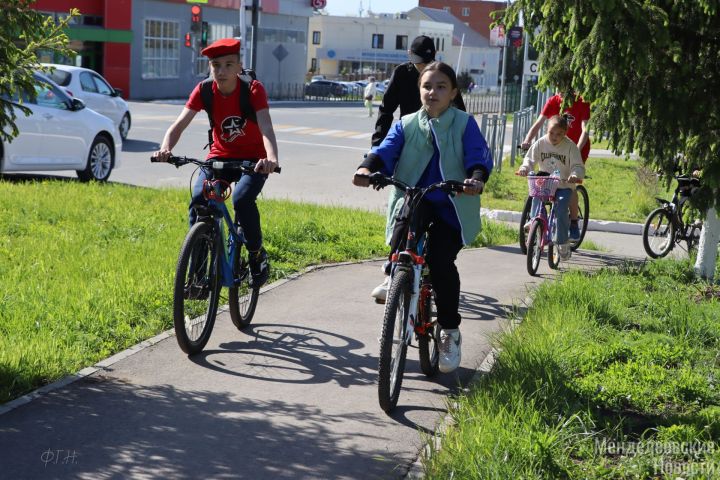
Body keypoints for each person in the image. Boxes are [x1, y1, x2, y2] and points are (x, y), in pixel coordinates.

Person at [352, 62, 493, 373]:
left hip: (452, 204)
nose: (433, 92)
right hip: (416, 197)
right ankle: (395, 273)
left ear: (454, 93)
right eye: (427, 86)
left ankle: (449, 331)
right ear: (419, 91)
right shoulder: (406, 124)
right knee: (405, 220)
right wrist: (367, 168)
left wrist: (476, 178)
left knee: (441, 261)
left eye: (442, 86)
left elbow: (477, 155)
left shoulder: (464, 123)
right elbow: (386, 151)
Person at [151, 38, 279, 287]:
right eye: (215, 65)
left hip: (253, 160)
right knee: (199, 200)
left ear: (239, 67)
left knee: (242, 200)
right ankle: (198, 275)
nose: (221, 71)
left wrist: (271, 158)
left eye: (228, 65)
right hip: (219, 156)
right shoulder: (205, 90)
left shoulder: (253, 90)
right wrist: (165, 148)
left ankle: (256, 256)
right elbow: (179, 124)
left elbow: (266, 126)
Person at [371, 35, 466, 147]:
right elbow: (386, 110)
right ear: (409, 54)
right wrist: (377, 145)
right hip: (409, 136)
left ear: (435, 54)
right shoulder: (401, 73)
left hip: (439, 139)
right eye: (419, 63)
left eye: (427, 63)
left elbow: (460, 111)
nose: (423, 67)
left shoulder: (444, 74)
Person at [521, 92, 590, 241]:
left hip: (576, 147)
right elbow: (539, 123)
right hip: (551, 153)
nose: (563, 91)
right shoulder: (553, 101)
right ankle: (537, 219)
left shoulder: (582, 102)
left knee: (569, 186)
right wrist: (527, 140)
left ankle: (573, 222)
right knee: (538, 189)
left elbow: (585, 129)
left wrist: (575, 150)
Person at [517, 114, 585, 260]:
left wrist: (575, 174)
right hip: (545, 183)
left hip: (563, 184)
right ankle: (535, 220)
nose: (554, 136)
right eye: (551, 133)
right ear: (546, 130)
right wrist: (524, 168)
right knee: (536, 194)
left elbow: (578, 165)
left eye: (559, 134)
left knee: (561, 209)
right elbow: (529, 159)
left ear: (565, 133)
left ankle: (562, 243)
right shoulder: (541, 143)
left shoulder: (570, 147)